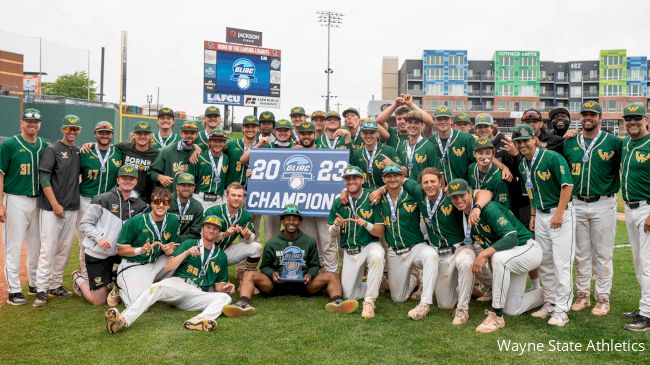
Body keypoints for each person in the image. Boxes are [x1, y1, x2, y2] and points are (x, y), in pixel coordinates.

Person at [394, 168, 492, 325]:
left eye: (433, 181)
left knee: (466, 263)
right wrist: (380, 190)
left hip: (460, 247)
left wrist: (477, 206)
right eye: (425, 182)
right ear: (421, 184)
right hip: (439, 253)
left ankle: (462, 310)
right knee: (445, 304)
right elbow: (398, 179)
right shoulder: (419, 193)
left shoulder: (452, 195)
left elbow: (486, 193)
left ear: (441, 182)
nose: (429, 185)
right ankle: (465, 288)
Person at [105, 215, 234, 334]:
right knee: (157, 287)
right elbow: (169, 266)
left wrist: (226, 288)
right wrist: (186, 253)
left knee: (225, 298)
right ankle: (123, 320)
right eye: (208, 227)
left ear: (219, 233)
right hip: (180, 284)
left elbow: (219, 286)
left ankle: (199, 320)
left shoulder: (221, 256)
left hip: (197, 294)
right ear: (202, 229)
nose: (211, 231)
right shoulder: (190, 243)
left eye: (215, 229)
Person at [222, 205, 358, 317]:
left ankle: (337, 301)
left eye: (295, 219)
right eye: (288, 219)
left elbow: (315, 265)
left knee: (332, 275)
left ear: (300, 222)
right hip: (276, 284)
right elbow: (265, 266)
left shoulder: (309, 241)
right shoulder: (272, 242)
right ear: (282, 221)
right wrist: (272, 274)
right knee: (249, 274)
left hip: (304, 284)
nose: (291, 222)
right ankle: (243, 303)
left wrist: (310, 274)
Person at [447, 179, 544, 333]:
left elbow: (512, 237)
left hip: (527, 248)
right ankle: (547, 295)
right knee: (512, 308)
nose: (459, 200)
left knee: (498, 258)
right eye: (454, 197)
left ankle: (496, 316)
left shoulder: (488, 209)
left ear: (470, 193)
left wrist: (483, 254)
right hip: (511, 258)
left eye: (462, 195)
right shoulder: (463, 215)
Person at [513, 124, 575, 327]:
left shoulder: (551, 157)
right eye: (518, 141)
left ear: (534, 139)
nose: (522, 145)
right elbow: (530, 191)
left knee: (561, 263)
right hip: (540, 215)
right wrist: (532, 214)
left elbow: (567, 186)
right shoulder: (523, 165)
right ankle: (549, 303)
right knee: (545, 262)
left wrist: (558, 213)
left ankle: (562, 309)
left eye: (525, 140)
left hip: (560, 214)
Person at [564, 101, 621, 317]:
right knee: (581, 254)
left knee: (603, 254)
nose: (588, 118)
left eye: (593, 115)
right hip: (577, 202)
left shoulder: (614, 142)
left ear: (600, 118)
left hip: (603, 203)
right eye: (585, 114)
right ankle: (583, 295)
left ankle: (603, 298)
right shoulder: (570, 142)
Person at [72, 165, 148, 306]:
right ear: (118, 180)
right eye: (124, 178)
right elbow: (85, 224)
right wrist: (99, 238)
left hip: (121, 253)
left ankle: (113, 278)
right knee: (99, 301)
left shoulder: (141, 206)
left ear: (136, 182)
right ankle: (78, 278)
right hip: (99, 252)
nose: (128, 181)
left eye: (131, 179)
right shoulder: (102, 199)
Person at [374, 163, 438, 320]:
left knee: (431, 255)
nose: (392, 179)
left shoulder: (412, 194)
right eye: (388, 176)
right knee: (398, 298)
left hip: (415, 246)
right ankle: (414, 279)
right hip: (395, 251)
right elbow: (359, 192)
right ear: (383, 179)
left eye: (396, 175)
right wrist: (343, 191)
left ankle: (424, 303)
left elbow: (422, 189)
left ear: (402, 177)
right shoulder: (379, 197)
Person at [33, 115, 82, 307]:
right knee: (48, 248)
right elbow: (44, 178)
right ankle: (41, 290)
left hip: (71, 207)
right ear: (62, 129)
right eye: (69, 128)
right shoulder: (52, 149)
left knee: (64, 249)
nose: (72, 132)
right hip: (51, 208)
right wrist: (54, 204)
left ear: (79, 131)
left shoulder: (78, 151)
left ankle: (55, 285)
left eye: (75, 129)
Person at [0, 108, 46, 304]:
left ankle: (34, 283)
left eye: (35, 122)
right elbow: (0, 175)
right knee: (14, 245)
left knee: (37, 245)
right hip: (15, 199)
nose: (32, 125)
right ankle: (14, 290)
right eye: (28, 122)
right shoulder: (9, 145)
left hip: (39, 201)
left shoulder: (45, 145)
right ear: (21, 124)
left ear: (40, 125)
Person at [329, 166, 385, 318]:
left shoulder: (372, 196)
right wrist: (336, 225)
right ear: (344, 181)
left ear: (362, 179)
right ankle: (378, 283)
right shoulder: (339, 201)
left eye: (355, 177)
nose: (351, 181)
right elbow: (331, 234)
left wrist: (365, 224)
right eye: (348, 178)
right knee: (348, 295)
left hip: (369, 245)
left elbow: (380, 231)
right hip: (350, 251)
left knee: (377, 255)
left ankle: (369, 302)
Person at [114, 187, 181, 306]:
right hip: (134, 265)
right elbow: (120, 250)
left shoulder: (173, 220)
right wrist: (141, 250)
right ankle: (120, 288)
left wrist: (171, 249)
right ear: (151, 204)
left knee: (179, 257)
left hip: (155, 263)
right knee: (137, 305)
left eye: (164, 202)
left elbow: (175, 244)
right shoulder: (134, 222)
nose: (161, 205)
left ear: (169, 206)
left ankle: (149, 285)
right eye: (157, 202)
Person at [77, 121, 123, 286]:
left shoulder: (118, 153)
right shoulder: (85, 151)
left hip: (107, 204)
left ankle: (104, 275)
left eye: (108, 133)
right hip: (87, 199)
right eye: (101, 133)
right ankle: (84, 276)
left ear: (112, 135)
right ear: (95, 134)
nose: (104, 136)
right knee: (86, 240)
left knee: (107, 239)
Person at [292, 122, 338, 273]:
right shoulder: (293, 153)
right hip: (303, 206)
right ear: (298, 135)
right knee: (309, 241)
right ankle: (315, 272)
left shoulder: (324, 153)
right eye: (303, 134)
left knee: (328, 242)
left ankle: (331, 273)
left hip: (323, 204)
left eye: (309, 134)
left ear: (314, 135)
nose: (306, 137)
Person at [619, 103, 650, 331]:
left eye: (636, 118)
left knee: (648, 264)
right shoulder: (627, 144)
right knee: (639, 263)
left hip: (647, 209)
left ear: (645, 118)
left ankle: (647, 315)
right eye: (628, 118)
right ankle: (645, 306)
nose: (632, 122)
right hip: (630, 209)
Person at [240, 119, 294, 241]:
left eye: (286, 130)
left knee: (293, 233)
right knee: (271, 235)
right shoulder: (267, 146)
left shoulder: (296, 146)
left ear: (290, 132)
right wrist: (255, 171)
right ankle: (272, 259)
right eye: (280, 130)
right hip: (272, 197)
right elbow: (243, 159)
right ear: (274, 132)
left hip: (292, 196)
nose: (283, 133)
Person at [204, 183, 262, 276]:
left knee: (256, 246)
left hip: (225, 251)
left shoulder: (245, 214)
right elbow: (204, 238)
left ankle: (248, 278)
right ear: (227, 196)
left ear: (243, 198)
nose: (236, 198)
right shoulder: (213, 211)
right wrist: (224, 234)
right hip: (205, 252)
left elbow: (251, 238)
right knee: (211, 286)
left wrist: (247, 235)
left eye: (239, 196)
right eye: (233, 195)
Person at [115, 122, 160, 204]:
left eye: (145, 134)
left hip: (144, 200)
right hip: (122, 197)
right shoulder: (123, 147)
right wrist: (91, 145)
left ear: (150, 136)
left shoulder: (156, 153)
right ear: (133, 135)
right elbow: (106, 148)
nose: (142, 136)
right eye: (139, 133)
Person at [429, 105, 477, 181]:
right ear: (434, 121)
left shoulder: (465, 138)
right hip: (438, 189)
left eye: (446, 119)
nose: (443, 122)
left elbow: (476, 162)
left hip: (462, 188)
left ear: (451, 120)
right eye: (439, 119)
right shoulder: (430, 141)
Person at [149, 120, 200, 190]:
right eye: (186, 132)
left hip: (191, 197)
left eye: (192, 133)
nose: (189, 135)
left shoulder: (199, 153)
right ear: (181, 133)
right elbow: (151, 172)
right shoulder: (167, 150)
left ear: (197, 134)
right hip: (171, 196)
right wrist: (159, 177)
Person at [350, 121, 399, 190]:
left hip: (386, 194)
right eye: (365, 133)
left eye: (372, 132)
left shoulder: (389, 150)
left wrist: (394, 165)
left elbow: (404, 172)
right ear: (361, 134)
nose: (368, 136)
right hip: (364, 194)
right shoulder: (357, 154)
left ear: (378, 133)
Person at [396, 110, 439, 180]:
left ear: (422, 125)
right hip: (405, 189)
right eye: (410, 122)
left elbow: (436, 173)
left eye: (416, 123)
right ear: (406, 124)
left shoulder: (430, 146)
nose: (413, 126)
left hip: (423, 189)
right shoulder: (401, 148)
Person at [468, 138, 510, 209]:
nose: (484, 157)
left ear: (493, 154)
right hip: (474, 210)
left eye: (488, 153)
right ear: (474, 154)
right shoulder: (471, 168)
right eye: (480, 153)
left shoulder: (499, 179)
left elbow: (503, 208)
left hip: (491, 214)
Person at [193, 130, 229, 210]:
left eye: (220, 141)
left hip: (218, 199)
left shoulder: (226, 158)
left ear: (224, 143)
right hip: (200, 198)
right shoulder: (199, 157)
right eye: (214, 141)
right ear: (209, 142)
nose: (217, 144)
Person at [224, 115, 259, 187]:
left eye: (253, 127)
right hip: (232, 190)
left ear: (258, 128)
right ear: (242, 128)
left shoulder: (264, 146)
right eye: (247, 127)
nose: (250, 129)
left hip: (254, 190)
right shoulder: (231, 144)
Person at [169, 173, 204, 242]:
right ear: (177, 187)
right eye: (183, 185)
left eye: (190, 186)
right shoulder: (167, 201)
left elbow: (195, 233)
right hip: (166, 241)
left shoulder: (197, 206)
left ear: (193, 188)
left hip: (186, 243)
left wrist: (177, 241)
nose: (186, 188)